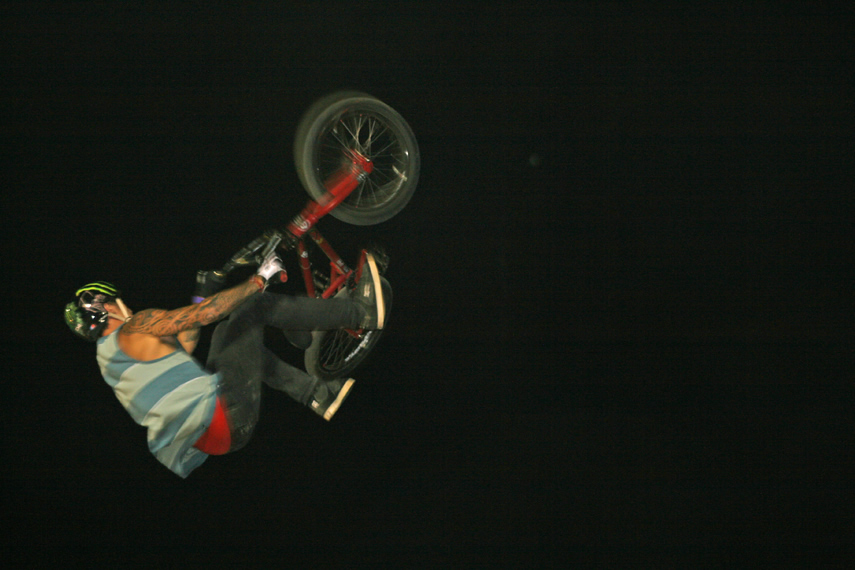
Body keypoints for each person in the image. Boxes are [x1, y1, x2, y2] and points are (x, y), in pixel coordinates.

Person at [63, 251, 386, 478]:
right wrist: (259, 279)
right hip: (220, 416)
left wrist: (201, 295)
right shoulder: (133, 328)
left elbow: (186, 344)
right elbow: (207, 314)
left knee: (228, 335)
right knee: (252, 307)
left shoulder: (110, 360)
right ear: (106, 307)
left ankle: (317, 394)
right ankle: (361, 313)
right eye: (119, 302)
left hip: (214, 435)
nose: (128, 307)